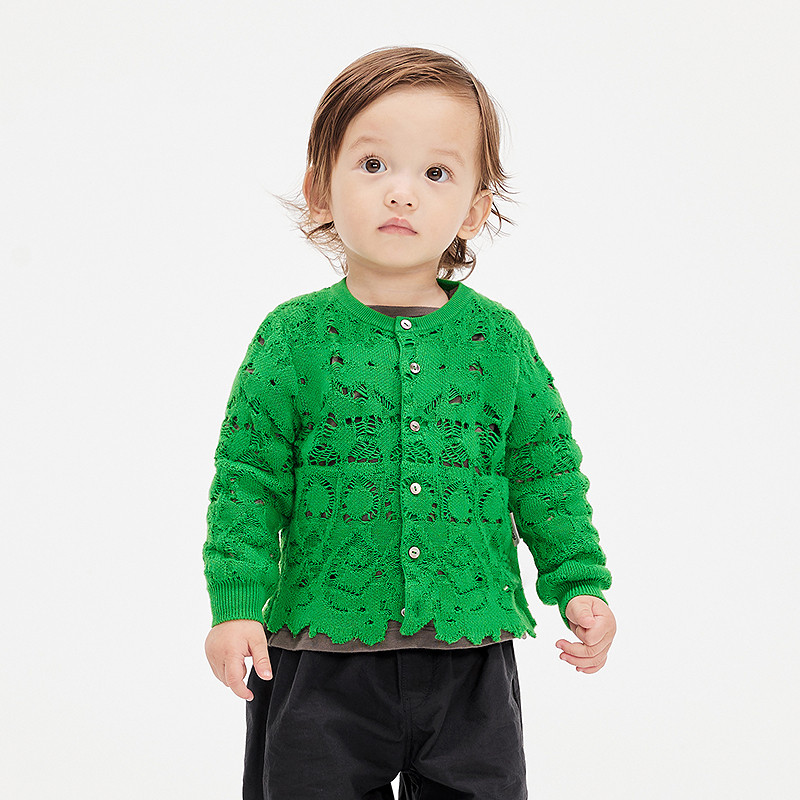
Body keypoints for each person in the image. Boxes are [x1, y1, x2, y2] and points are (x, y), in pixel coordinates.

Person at [202, 45, 616, 800]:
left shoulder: (497, 341)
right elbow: (248, 480)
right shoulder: (293, 338)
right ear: (319, 189)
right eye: (373, 165)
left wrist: (577, 580)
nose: (402, 193)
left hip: (469, 651)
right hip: (319, 649)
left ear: (475, 209)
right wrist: (234, 607)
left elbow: (545, 470)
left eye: (436, 173)